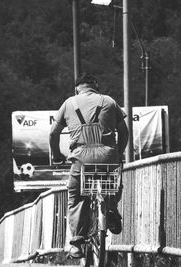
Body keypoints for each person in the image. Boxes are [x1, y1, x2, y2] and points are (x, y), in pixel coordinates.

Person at [50, 73, 128, 258]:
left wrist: (57, 154)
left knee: (77, 198)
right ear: (96, 86)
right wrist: (118, 154)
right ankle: (110, 208)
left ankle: (77, 243)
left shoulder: (69, 103)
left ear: (77, 88)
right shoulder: (109, 101)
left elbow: (53, 133)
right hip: (107, 158)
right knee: (112, 185)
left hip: (81, 160)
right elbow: (124, 133)